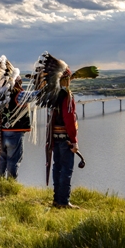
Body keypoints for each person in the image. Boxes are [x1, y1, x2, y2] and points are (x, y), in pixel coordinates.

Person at [48, 69, 79, 208]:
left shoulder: (52, 96)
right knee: (66, 169)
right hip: (66, 138)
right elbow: (69, 119)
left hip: (55, 137)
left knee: (57, 167)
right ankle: (63, 201)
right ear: (66, 80)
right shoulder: (66, 96)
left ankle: (56, 199)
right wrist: (74, 141)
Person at [0, 78, 32, 179]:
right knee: (13, 160)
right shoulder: (19, 94)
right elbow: (34, 95)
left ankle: (0, 183)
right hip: (15, 132)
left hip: (0, 133)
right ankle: (10, 186)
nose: (21, 84)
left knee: (1, 159)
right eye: (20, 82)